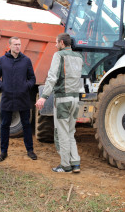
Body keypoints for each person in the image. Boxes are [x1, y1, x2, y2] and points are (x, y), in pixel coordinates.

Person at [35, 33, 83, 173]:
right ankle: (75, 163)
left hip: (62, 100)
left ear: (62, 43)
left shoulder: (59, 55)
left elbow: (52, 77)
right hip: (75, 99)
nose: (55, 45)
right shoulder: (79, 57)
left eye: (56, 43)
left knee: (61, 133)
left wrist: (44, 96)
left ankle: (65, 165)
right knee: (70, 132)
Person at [0, 36, 37, 162]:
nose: (18, 46)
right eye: (15, 44)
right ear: (10, 46)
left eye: (19, 44)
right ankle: (3, 152)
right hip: (7, 98)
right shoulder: (2, 60)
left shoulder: (26, 60)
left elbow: (32, 78)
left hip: (23, 98)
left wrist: (25, 86)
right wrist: (2, 86)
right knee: (5, 125)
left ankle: (30, 150)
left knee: (26, 125)